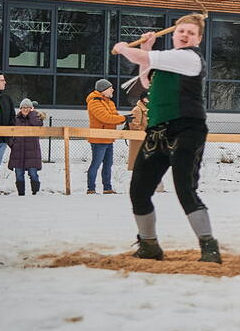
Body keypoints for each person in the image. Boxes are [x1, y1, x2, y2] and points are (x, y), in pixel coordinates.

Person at [113, 14, 220, 262]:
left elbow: (143, 58)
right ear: (173, 34)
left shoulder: (189, 58)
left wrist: (124, 49)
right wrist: (147, 48)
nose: (184, 35)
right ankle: (149, 245)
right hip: (157, 131)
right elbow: (145, 79)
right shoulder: (167, 61)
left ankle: (208, 245)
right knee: (139, 190)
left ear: (198, 39)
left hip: (187, 129)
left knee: (185, 188)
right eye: (181, 31)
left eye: (190, 33)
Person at [85, 78, 124, 194]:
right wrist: (123, 118)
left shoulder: (110, 102)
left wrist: (123, 119)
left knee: (108, 164)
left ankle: (107, 188)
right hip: (98, 138)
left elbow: (115, 117)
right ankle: (91, 189)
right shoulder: (94, 102)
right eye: (110, 87)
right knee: (96, 163)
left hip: (109, 138)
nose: (113, 89)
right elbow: (105, 118)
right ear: (103, 90)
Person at [125, 87, 164, 193]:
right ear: (143, 99)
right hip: (139, 141)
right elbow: (134, 126)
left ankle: (157, 186)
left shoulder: (150, 108)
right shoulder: (137, 110)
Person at [9, 98, 43, 195]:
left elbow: (37, 124)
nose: (25, 109)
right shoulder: (15, 120)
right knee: (19, 174)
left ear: (31, 108)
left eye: (28, 107)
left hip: (32, 151)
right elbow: (8, 133)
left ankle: (35, 192)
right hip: (17, 151)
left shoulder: (36, 118)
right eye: (23, 107)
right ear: (20, 108)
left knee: (33, 173)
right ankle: (21, 193)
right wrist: (12, 144)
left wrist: (32, 114)